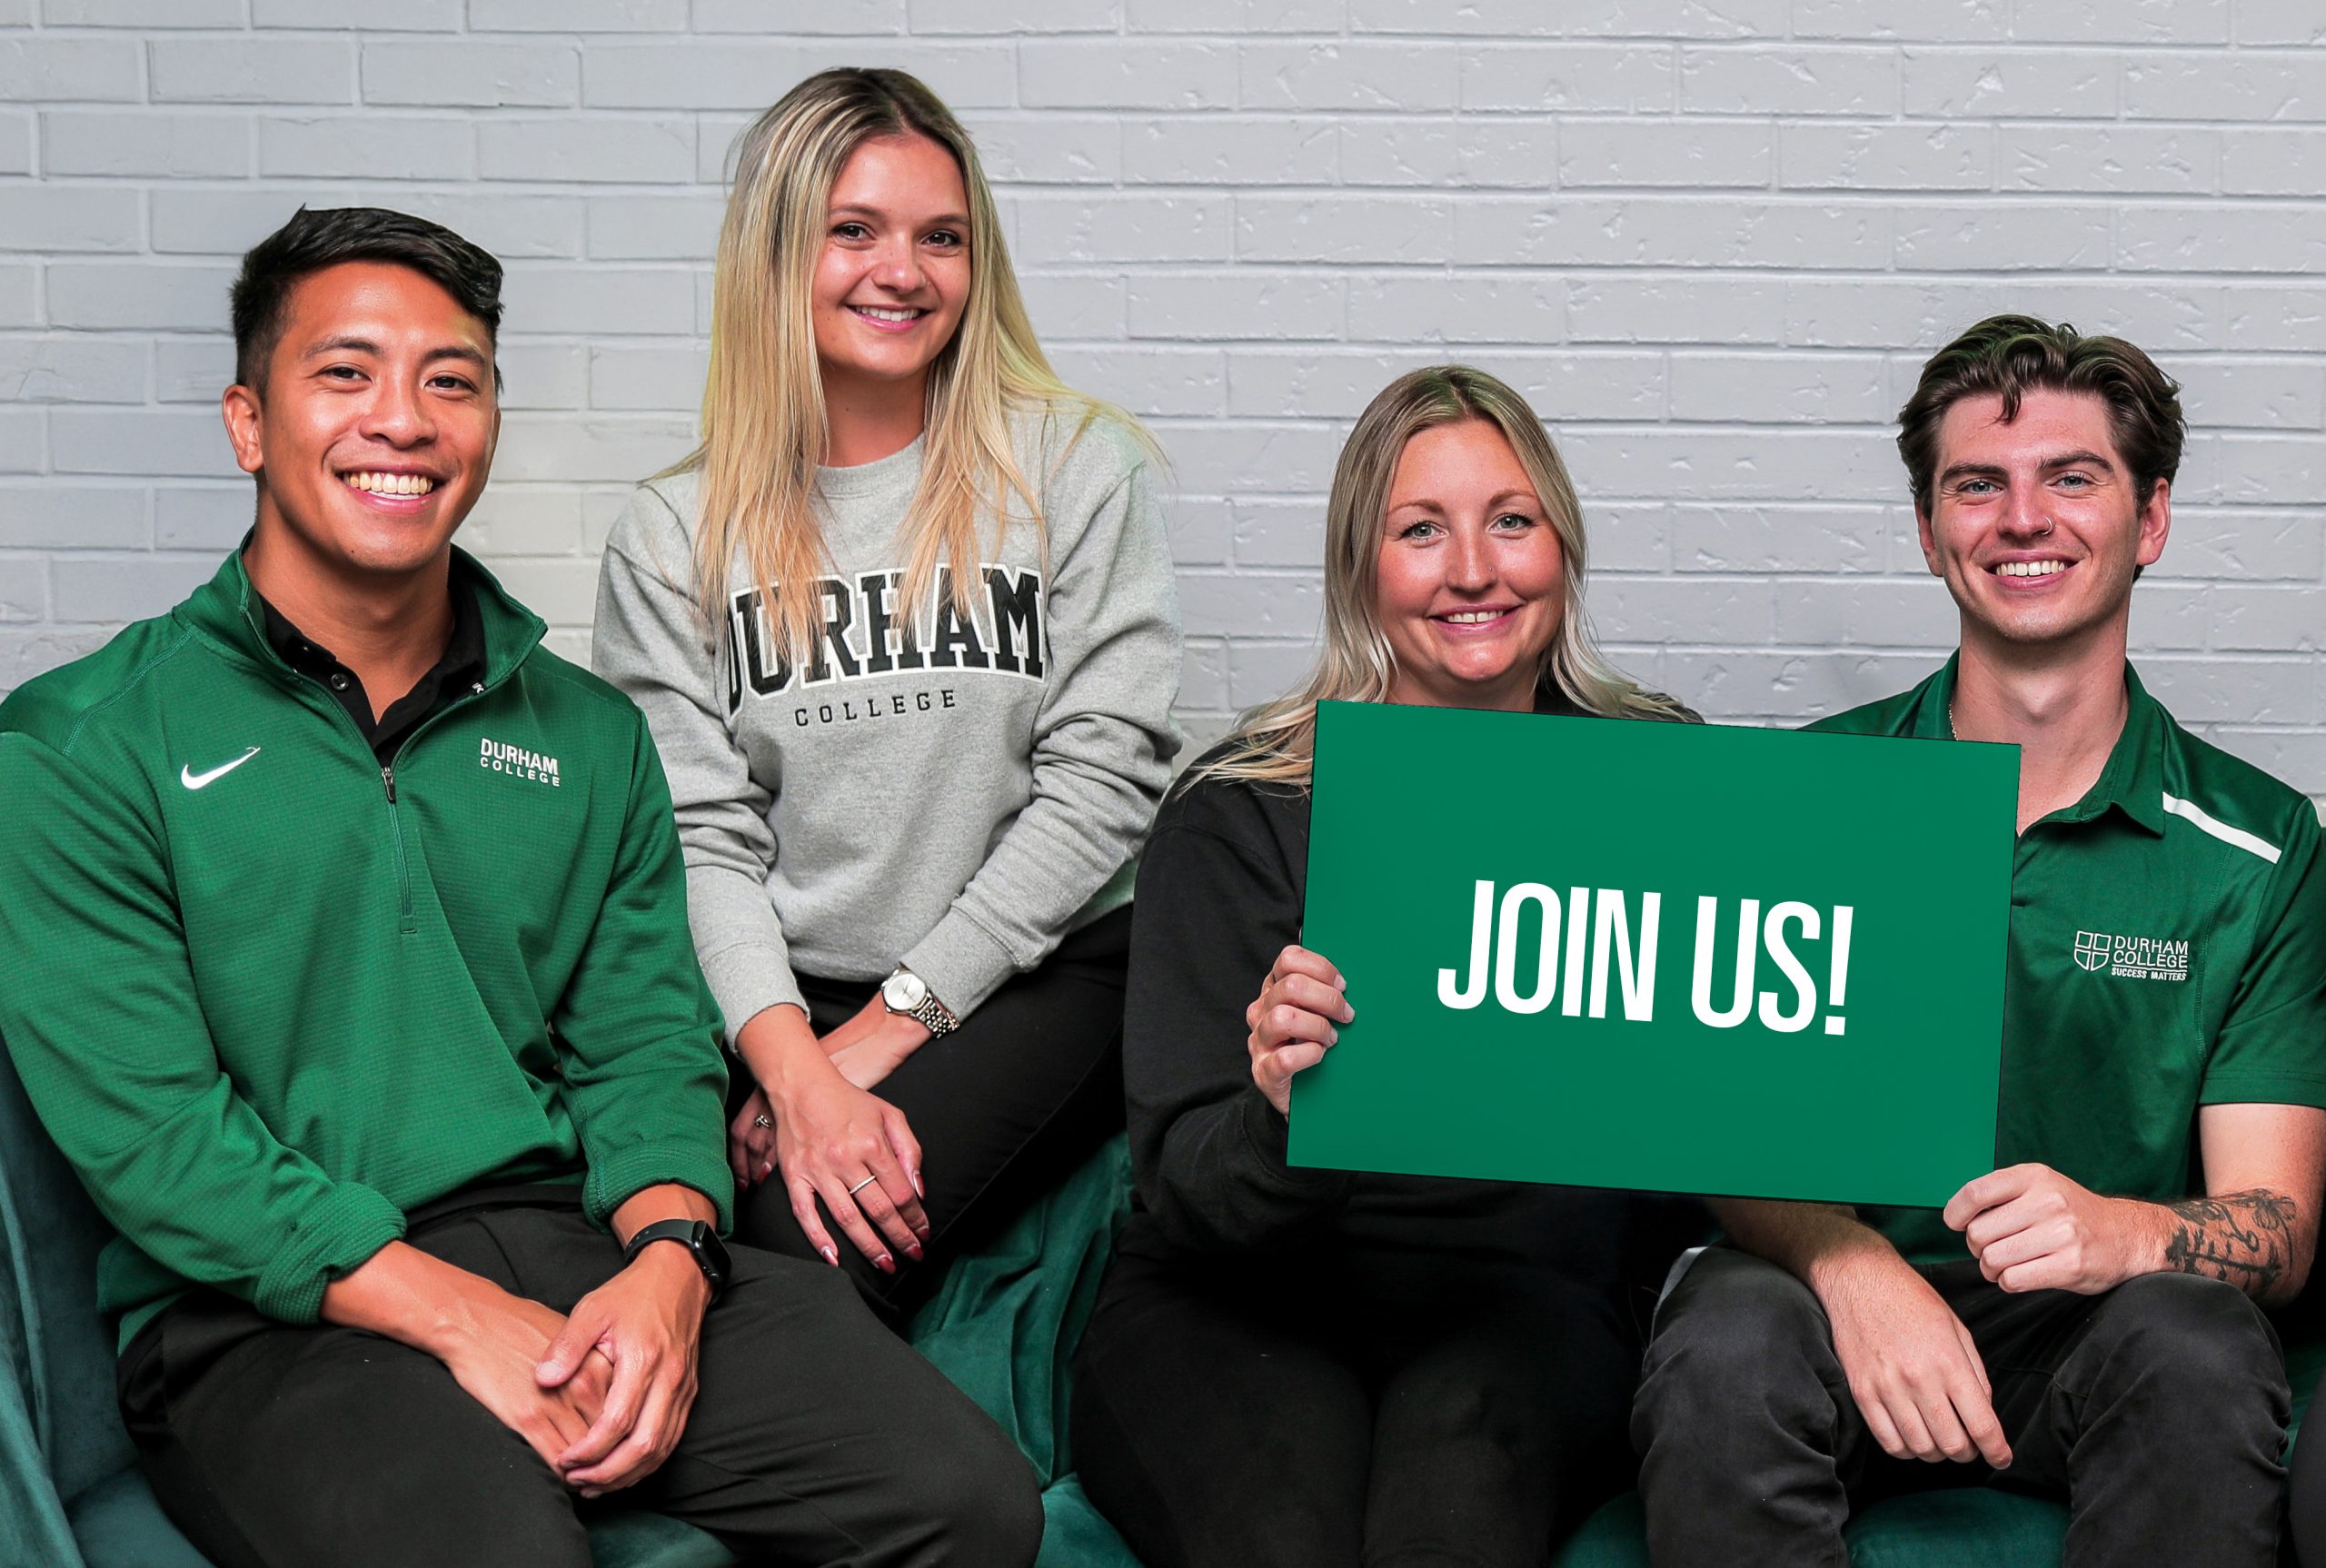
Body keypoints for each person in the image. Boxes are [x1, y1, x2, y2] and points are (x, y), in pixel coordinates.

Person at [0, 205, 1041, 1568]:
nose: (404, 419)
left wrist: (671, 1263)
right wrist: (451, 1316)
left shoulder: (587, 732)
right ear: (249, 422)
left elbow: (647, 1043)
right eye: (346, 372)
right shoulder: (77, 746)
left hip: (572, 1239)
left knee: (967, 1498)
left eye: (452, 378)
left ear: (491, 418)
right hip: (259, 1314)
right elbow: (159, 1138)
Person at [1632, 314, 2326, 1568]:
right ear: (1928, 528)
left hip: (2094, 1337)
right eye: (1977, 485)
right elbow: (1716, 1129)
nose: (2023, 519)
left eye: (2071, 477)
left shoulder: (2260, 848)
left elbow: (2274, 1221)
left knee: (2204, 1341)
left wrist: (2124, 1232)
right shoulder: (1807, 792)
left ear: (2150, 520)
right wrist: (1846, 1258)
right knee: (1721, 1335)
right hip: (1827, 1316)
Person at [1068, 365, 1695, 1568]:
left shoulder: (1654, 786)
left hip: (1518, 1304)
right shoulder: (1240, 810)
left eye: (1511, 520)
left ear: (1562, 548)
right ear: (1362, 568)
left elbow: (1715, 1102)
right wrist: (1278, 1108)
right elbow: (1191, 1189)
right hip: (1239, 1299)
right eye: (1422, 530)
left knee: (1450, 1531)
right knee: (1278, 1541)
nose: (1474, 568)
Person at [592, 67, 1180, 1318]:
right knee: (661, 1227)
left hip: (1043, 963)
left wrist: (869, 1042)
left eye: (942, 237)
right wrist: (786, 1054)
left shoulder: (1075, 466)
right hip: (792, 983)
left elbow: (1104, 784)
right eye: (853, 231)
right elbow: (698, 838)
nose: (901, 271)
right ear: (779, 254)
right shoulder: (672, 533)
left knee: (802, 1258)